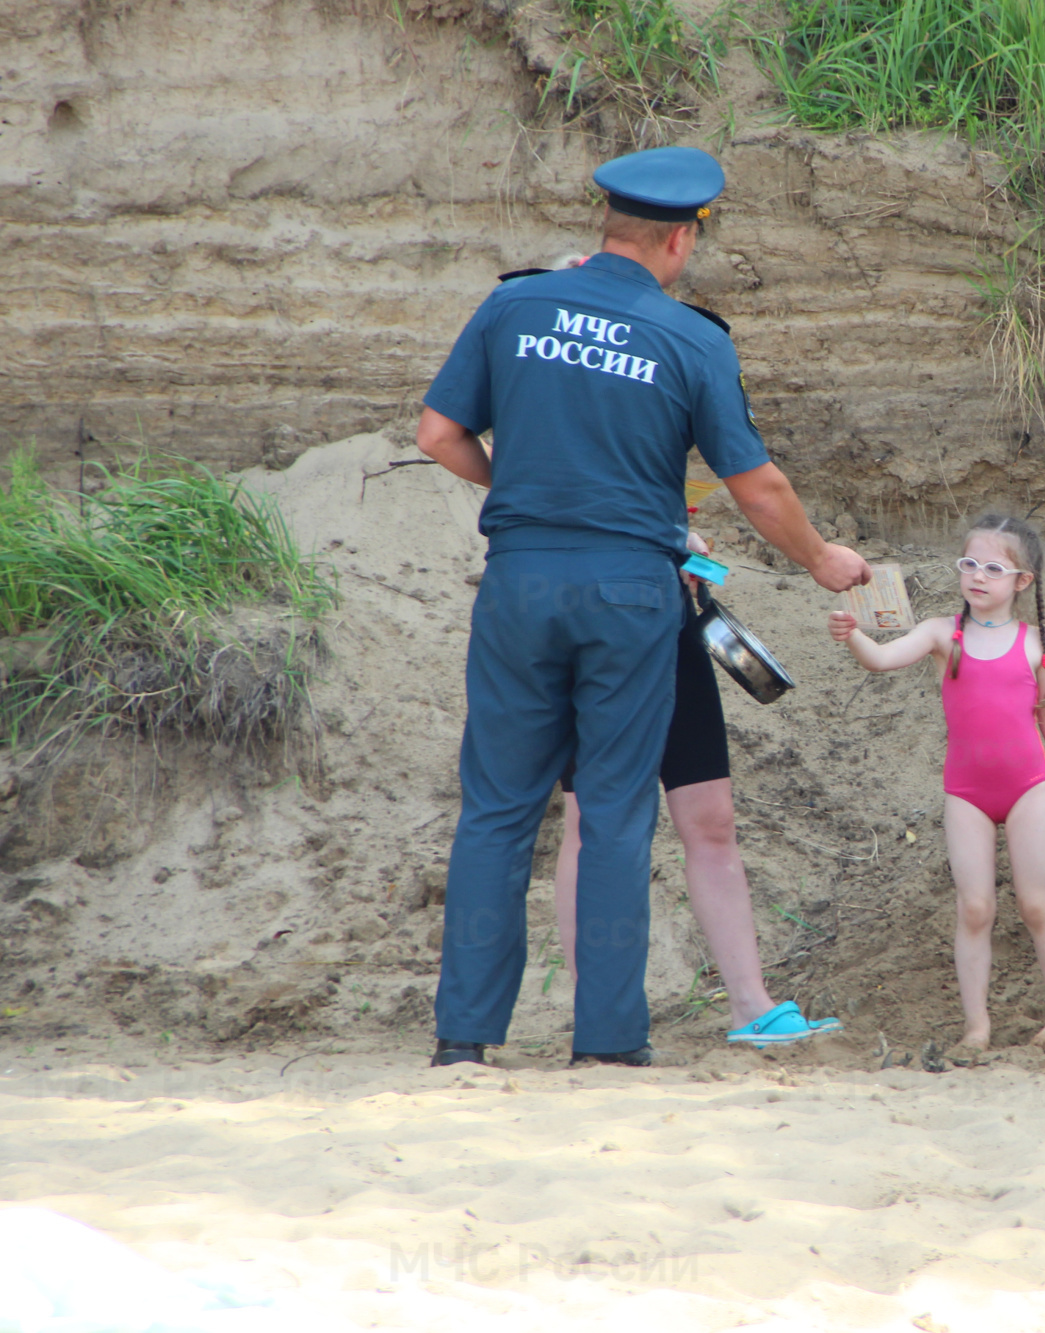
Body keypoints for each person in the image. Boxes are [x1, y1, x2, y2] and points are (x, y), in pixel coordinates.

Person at [417, 145, 869, 1069]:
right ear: (678, 238)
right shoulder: (692, 338)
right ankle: (608, 1045)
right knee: (617, 812)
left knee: (497, 810)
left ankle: (464, 1039)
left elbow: (436, 433)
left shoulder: (514, 304)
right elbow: (759, 486)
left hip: (521, 577)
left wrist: (524, 494)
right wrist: (821, 558)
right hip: (628, 588)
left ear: (607, 227)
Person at [829, 514, 1045, 1052]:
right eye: (970, 564)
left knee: (1036, 904)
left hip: (1028, 786)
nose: (978, 576)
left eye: (993, 568)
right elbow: (883, 660)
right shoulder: (941, 633)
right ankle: (977, 1026)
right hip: (966, 792)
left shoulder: (1038, 641)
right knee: (975, 908)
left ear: (1022, 581)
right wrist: (854, 636)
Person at [553, 532, 841, 1049]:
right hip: (586, 610)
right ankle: (592, 1007)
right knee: (588, 819)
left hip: (667, 609)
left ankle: (751, 1003)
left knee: (712, 816)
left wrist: (676, 544)